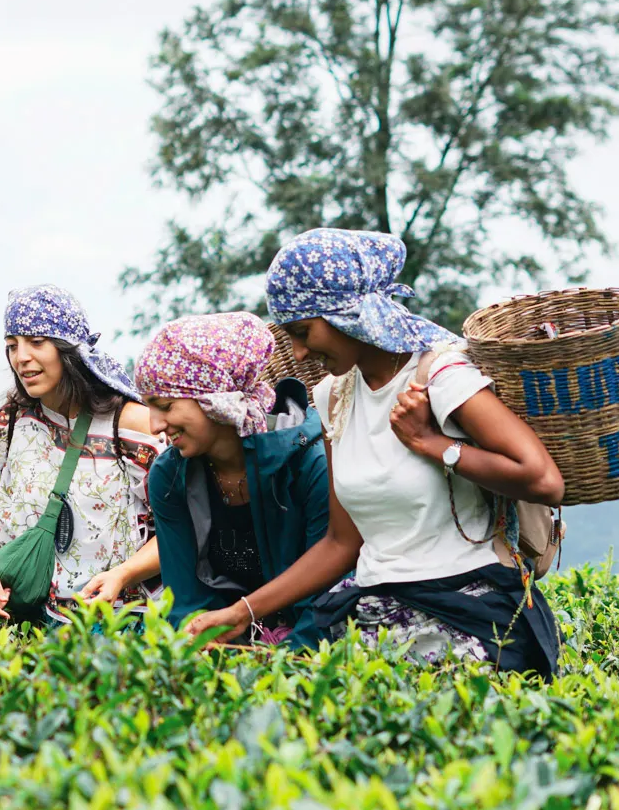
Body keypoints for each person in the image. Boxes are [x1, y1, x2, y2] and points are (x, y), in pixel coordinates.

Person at [185, 228, 565, 676]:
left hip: (469, 608)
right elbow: (341, 543)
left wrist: (433, 444)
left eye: (303, 332)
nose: (299, 352)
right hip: (372, 607)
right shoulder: (332, 397)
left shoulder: (440, 374)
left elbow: (544, 480)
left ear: (348, 315)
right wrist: (240, 613)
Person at [84, 312, 330, 639]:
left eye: (166, 406)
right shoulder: (170, 478)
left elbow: (327, 595)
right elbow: (186, 602)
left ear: (214, 399)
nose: (155, 425)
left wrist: (288, 665)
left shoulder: (311, 463)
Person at [0, 285, 161, 625]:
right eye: (12, 346)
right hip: (24, 622)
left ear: (68, 349)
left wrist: (124, 575)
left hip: (114, 626)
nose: (21, 357)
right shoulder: (9, 421)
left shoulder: (129, 425)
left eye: (37, 342)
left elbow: (179, 531)